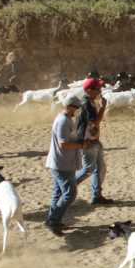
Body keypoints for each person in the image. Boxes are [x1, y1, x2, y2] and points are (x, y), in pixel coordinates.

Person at [45, 96, 88, 236]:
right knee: (70, 194)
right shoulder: (63, 121)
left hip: (62, 162)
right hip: (62, 163)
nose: (77, 110)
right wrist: (81, 145)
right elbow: (64, 144)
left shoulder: (66, 118)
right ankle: (53, 221)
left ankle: (52, 220)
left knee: (58, 193)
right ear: (69, 106)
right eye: (75, 107)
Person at [74, 78, 114, 205]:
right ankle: (66, 187)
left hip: (92, 140)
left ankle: (97, 196)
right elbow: (94, 122)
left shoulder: (88, 102)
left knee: (99, 168)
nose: (100, 91)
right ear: (89, 90)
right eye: (97, 89)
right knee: (88, 169)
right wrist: (103, 107)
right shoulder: (87, 104)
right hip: (88, 142)